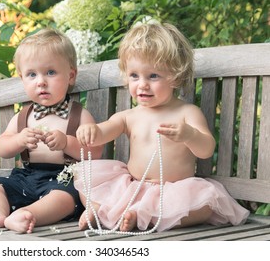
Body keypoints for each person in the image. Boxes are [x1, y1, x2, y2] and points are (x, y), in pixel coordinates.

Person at [75, 22, 250, 232]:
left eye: (153, 76)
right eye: (134, 76)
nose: (142, 84)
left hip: (173, 192)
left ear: (175, 77)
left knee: (204, 206)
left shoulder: (187, 113)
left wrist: (189, 135)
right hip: (133, 185)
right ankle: (99, 209)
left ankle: (140, 216)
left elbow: (206, 150)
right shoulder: (127, 116)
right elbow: (104, 131)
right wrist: (92, 131)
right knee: (86, 179)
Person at [0, 28, 103, 233]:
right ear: (22, 79)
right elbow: (2, 148)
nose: (41, 81)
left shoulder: (79, 115)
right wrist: (18, 140)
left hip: (64, 178)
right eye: (32, 74)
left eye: (50, 72)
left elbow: (95, 152)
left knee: (64, 199)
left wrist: (66, 143)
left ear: (71, 75)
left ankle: (28, 215)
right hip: (27, 176)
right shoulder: (24, 116)